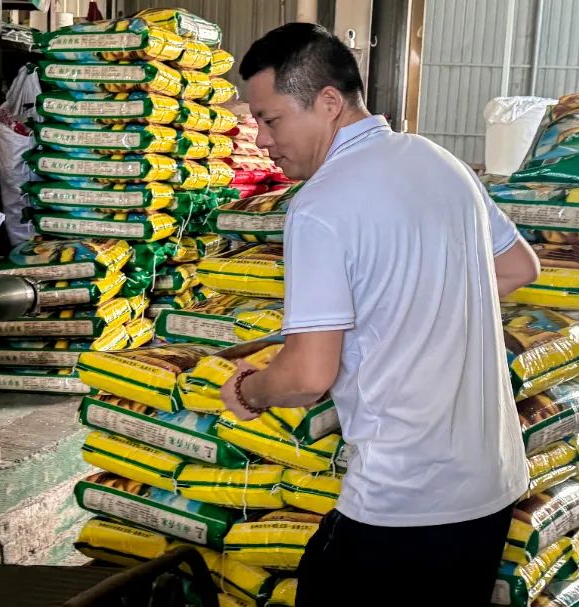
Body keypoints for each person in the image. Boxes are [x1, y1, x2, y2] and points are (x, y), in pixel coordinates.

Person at [221, 23, 541, 605]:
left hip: (403, 500)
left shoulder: (320, 205)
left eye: (271, 120)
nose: (262, 140)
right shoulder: (439, 161)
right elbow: (520, 266)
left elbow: (308, 376)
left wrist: (249, 391)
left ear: (328, 101)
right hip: (491, 486)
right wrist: (414, 306)